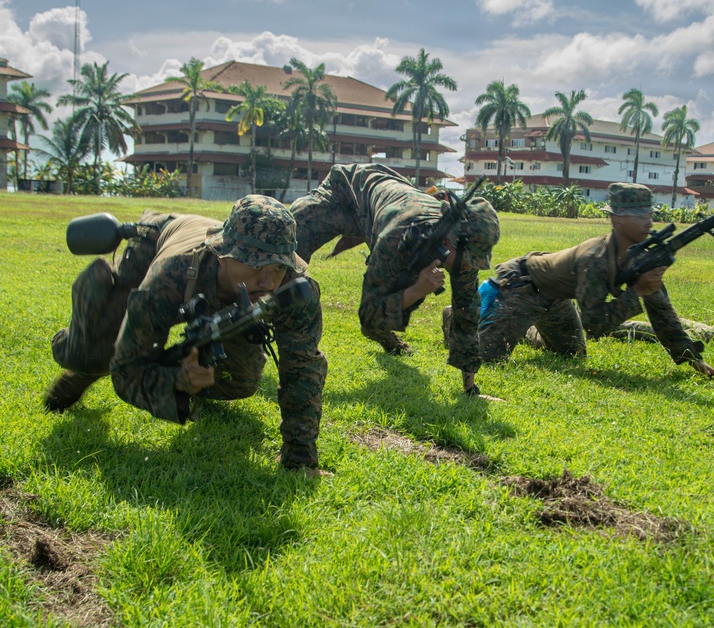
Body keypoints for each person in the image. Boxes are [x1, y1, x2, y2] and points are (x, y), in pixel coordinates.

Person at [45, 196, 327, 471]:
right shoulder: (172, 273)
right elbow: (126, 374)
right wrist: (175, 380)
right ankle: (84, 363)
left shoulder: (294, 288)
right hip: (153, 247)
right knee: (95, 355)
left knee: (240, 381)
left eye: (278, 267)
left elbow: (303, 366)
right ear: (224, 256)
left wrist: (300, 456)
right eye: (255, 265)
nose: (268, 281)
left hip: (215, 285)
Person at [445, 182, 714, 380]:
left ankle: (526, 327)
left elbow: (661, 309)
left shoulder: (639, 257)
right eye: (638, 215)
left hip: (556, 299)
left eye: (649, 214)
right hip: (522, 285)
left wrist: (692, 358)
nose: (647, 222)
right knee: (486, 356)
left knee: (571, 353)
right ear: (617, 220)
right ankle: (455, 319)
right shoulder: (595, 258)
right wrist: (636, 292)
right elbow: (593, 324)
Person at [290, 163, 501, 396]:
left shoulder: (462, 251)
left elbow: (467, 312)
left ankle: (387, 340)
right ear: (448, 242)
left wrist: (470, 388)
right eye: (468, 260)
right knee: (294, 234)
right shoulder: (397, 235)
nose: (468, 267)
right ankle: (264, 319)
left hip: (387, 201)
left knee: (395, 299)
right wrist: (417, 290)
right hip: (349, 189)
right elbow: (368, 312)